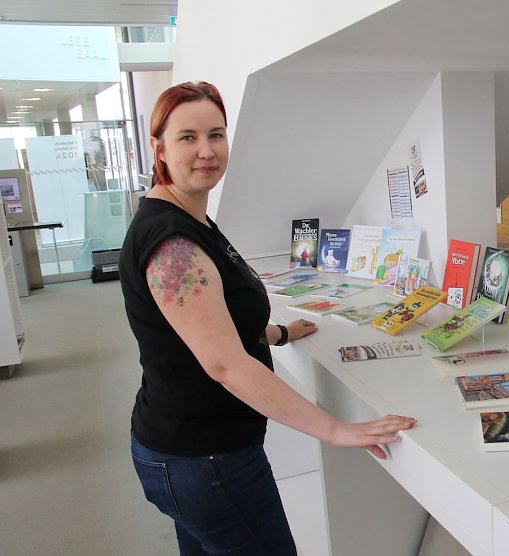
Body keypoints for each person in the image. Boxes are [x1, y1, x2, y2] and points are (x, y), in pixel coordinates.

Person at [120, 81, 417, 555]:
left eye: (216, 135)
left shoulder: (189, 217)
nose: (206, 151)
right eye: (188, 137)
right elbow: (223, 364)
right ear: (158, 146)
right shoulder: (174, 244)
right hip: (205, 459)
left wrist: (278, 333)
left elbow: (211, 321)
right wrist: (334, 429)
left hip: (184, 451)